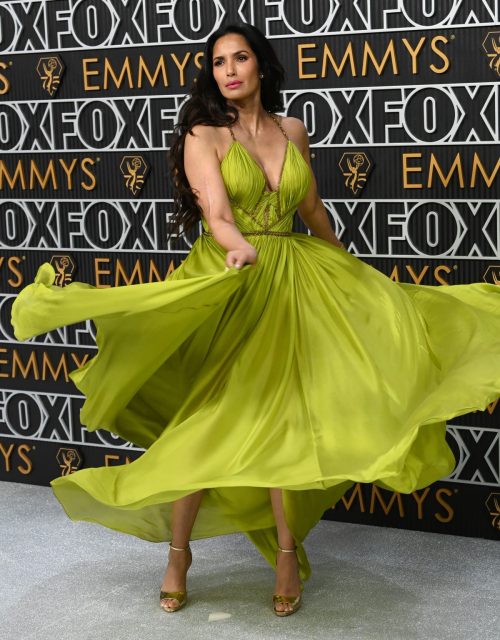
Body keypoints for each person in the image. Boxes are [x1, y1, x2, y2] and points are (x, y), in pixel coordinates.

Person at [10, 22, 500, 619]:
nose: (230, 70)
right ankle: (177, 552)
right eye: (219, 62)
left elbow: (312, 206)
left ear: (261, 67)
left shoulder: (293, 129)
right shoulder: (204, 133)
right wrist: (236, 245)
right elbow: (216, 212)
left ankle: (288, 554)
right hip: (234, 279)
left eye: (240, 58)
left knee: (287, 416)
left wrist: (356, 274)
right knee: (208, 418)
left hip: (296, 279)